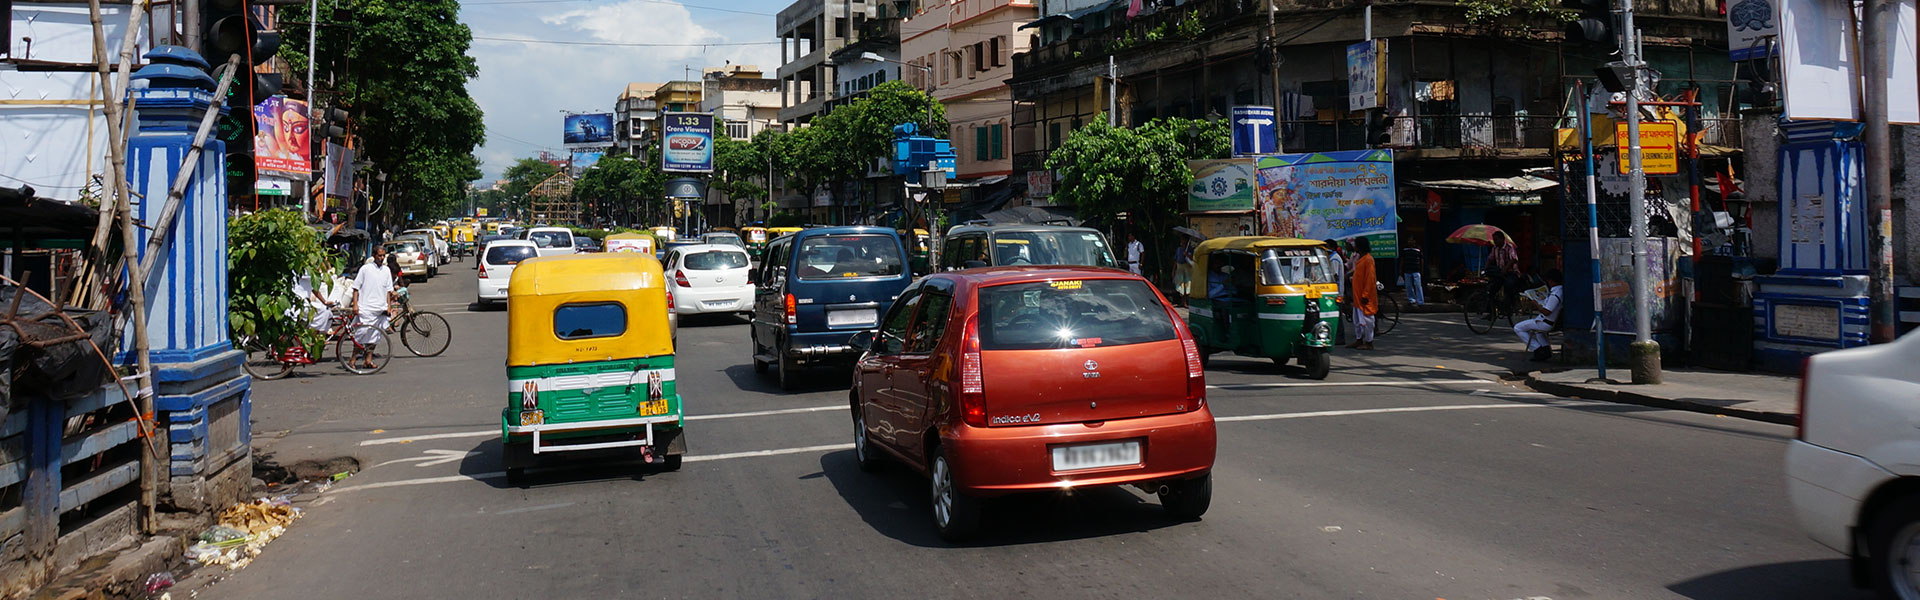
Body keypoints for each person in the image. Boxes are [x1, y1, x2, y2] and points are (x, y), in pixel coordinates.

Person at [347, 245, 397, 370]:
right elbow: (356, 288)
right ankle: (352, 360)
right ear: (374, 256)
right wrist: (355, 304)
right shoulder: (365, 269)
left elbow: (388, 291)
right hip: (366, 308)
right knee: (361, 335)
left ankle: (368, 360)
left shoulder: (386, 270)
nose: (381, 258)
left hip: (380, 308)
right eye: (379, 255)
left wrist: (389, 307)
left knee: (375, 336)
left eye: (383, 256)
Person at [1513, 269, 1563, 362]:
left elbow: (1547, 312)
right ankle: (1545, 349)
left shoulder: (1555, 295)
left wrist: (1537, 305)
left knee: (1518, 328)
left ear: (1551, 281)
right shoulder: (1561, 291)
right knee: (1538, 332)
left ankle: (1537, 349)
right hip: (1550, 321)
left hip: (1546, 322)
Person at [1347, 237, 1378, 350]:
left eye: (1356, 245)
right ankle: (1359, 339)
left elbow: (1370, 279)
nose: (1354, 246)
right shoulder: (1360, 258)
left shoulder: (1368, 259)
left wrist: (1365, 295)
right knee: (1356, 320)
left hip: (1364, 296)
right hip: (1357, 296)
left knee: (1368, 320)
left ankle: (1369, 342)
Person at [1324, 239, 1347, 345]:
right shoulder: (1331, 258)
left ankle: (1339, 337)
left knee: (1337, 314)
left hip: (1336, 292)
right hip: (1334, 291)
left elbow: (1334, 275)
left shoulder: (1334, 259)